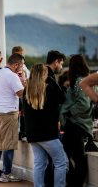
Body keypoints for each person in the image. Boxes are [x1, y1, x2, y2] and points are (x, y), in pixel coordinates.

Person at [23, 64, 68, 187]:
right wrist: (52, 80)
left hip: (32, 134)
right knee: (61, 162)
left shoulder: (26, 91)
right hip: (48, 134)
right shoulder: (49, 89)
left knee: (39, 163)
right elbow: (62, 98)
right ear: (44, 75)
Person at [0, 53, 26, 182]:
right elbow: (21, 94)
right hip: (9, 112)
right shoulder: (12, 76)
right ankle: (6, 173)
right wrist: (24, 82)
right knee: (9, 144)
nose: (21, 68)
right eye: (21, 65)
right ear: (16, 64)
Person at [60, 54, 93, 187]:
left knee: (76, 158)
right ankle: (73, 182)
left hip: (76, 125)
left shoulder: (81, 82)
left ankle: (75, 183)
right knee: (65, 157)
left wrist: (69, 112)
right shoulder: (86, 80)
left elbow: (84, 104)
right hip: (78, 124)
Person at [44, 50, 67, 186]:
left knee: (42, 163)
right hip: (48, 126)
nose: (62, 67)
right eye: (61, 63)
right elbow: (60, 98)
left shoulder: (42, 76)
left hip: (37, 128)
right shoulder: (50, 78)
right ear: (56, 61)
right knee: (59, 161)